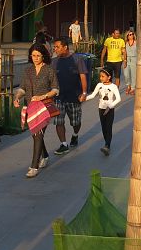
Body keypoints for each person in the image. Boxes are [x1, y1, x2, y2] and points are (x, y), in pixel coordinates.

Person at [14, 43, 59, 178]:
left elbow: (55, 89)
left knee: (38, 133)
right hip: (30, 106)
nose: (35, 58)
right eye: (33, 55)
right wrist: (17, 97)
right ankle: (44, 155)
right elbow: (22, 88)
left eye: (38, 55)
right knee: (35, 133)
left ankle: (34, 166)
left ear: (43, 56)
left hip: (44, 106)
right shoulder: (28, 70)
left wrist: (43, 96)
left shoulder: (49, 70)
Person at [51, 38, 88, 155]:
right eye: (54, 47)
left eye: (57, 47)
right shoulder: (54, 61)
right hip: (58, 98)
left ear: (65, 47)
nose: (55, 49)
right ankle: (64, 144)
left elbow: (83, 77)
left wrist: (84, 93)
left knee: (76, 122)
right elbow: (51, 79)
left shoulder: (77, 59)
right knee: (58, 121)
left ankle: (75, 135)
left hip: (74, 97)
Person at [85, 68, 122, 155]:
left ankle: (107, 146)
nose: (101, 78)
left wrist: (111, 106)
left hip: (110, 109)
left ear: (109, 77)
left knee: (109, 127)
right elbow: (93, 95)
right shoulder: (99, 85)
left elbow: (118, 98)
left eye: (103, 76)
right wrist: (84, 98)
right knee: (104, 128)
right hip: (101, 109)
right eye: (100, 76)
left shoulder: (113, 86)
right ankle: (106, 143)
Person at [123, 31, 138, 95]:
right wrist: (125, 60)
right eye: (128, 35)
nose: (130, 35)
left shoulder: (136, 42)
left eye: (131, 34)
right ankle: (128, 85)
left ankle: (132, 88)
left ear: (133, 35)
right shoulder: (125, 43)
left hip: (134, 59)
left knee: (133, 74)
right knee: (126, 74)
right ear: (127, 36)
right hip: (127, 59)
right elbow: (124, 52)